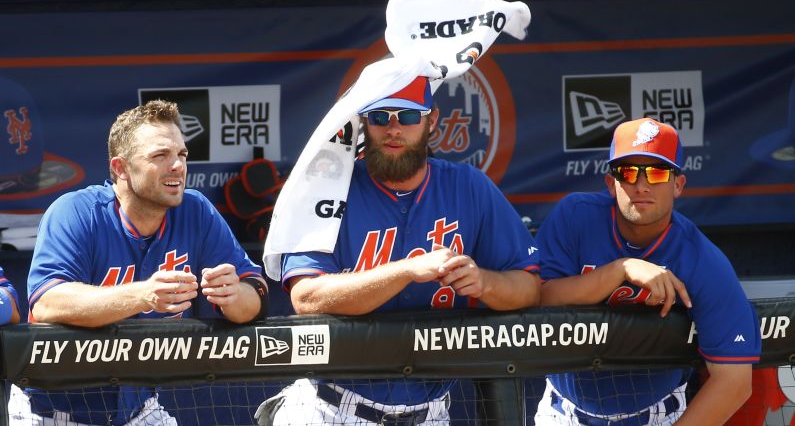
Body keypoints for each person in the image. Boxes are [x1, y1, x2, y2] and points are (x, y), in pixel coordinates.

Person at [257, 76, 542, 425]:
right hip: (332, 407)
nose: (393, 129)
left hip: (429, 413)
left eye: (407, 117)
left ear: (431, 120)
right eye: (380, 117)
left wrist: (484, 282)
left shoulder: (468, 187)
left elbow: (529, 286)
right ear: (364, 122)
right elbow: (307, 297)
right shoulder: (331, 189)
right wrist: (405, 270)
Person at [9, 100, 268, 426]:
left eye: (182, 155)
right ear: (120, 168)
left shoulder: (195, 211)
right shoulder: (75, 212)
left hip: (137, 406)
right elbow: (48, 303)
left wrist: (235, 296)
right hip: (55, 408)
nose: (177, 166)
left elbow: (255, 296)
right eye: (160, 156)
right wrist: (143, 296)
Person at [534, 117, 761, 426]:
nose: (641, 185)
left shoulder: (699, 258)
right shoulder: (575, 218)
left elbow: (734, 382)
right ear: (611, 183)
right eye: (627, 173)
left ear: (678, 185)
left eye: (656, 173)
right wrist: (620, 269)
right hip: (564, 411)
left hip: (657, 414)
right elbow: (539, 297)